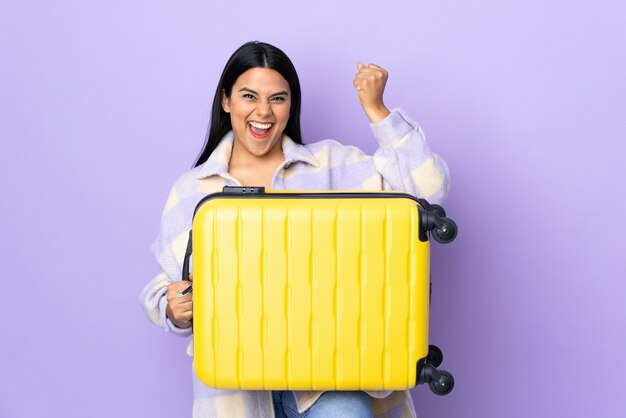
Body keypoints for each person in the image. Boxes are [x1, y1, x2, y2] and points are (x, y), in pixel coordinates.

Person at [140, 41, 450, 418]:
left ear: (291, 105)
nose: (263, 112)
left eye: (278, 98)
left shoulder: (330, 166)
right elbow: (165, 287)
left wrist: (378, 111)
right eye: (249, 96)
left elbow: (428, 189)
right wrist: (173, 307)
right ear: (226, 101)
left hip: (331, 379)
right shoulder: (193, 190)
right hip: (236, 392)